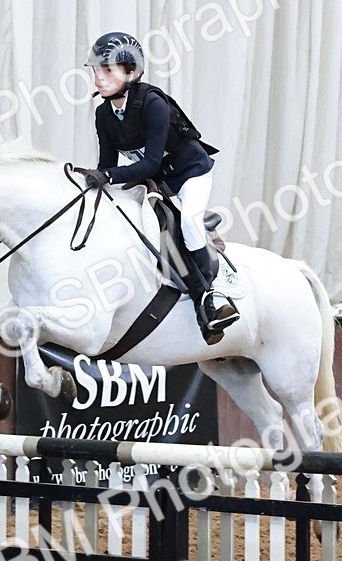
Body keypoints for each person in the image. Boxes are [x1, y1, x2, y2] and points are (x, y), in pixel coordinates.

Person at [81, 31, 239, 344]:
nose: (99, 78)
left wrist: (109, 176)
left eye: (107, 70)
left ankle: (212, 296)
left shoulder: (153, 103)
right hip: (157, 182)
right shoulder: (103, 113)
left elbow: (149, 163)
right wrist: (96, 180)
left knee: (190, 223)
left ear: (130, 72)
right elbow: (108, 164)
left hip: (189, 173)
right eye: (96, 71)